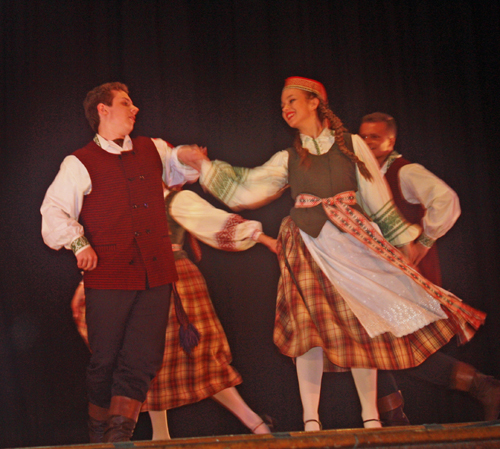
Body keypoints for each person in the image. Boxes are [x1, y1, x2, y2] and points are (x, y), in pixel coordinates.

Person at [196, 76, 486, 431]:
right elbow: (246, 187)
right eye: (282, 104)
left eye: (292, 101)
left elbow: (377, 197)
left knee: (363, 327)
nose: (285, 108)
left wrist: (402, 241)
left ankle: (371, 418)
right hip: (307, 245)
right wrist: (205, 167)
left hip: (351, 245)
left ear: (315, 102)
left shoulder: (351, 145)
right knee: (308, 330)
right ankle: (311, 420)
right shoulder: (287, 157)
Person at [40, 82, 207, 442]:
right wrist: (78, 242)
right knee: (105, 361)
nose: (134, 109)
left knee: (143, 358)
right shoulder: (79, 162)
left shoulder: (153, 148)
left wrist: (191, 160)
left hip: (157, 272)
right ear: (102, 110)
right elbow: (53, 210)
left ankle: (119, 435)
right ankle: (99, 433)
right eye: (125, 103)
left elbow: (179, 166)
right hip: (110, 275)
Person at [71, 187, 277, 439]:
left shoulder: (173, 200)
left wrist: (263, 238)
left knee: (200, 357)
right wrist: (88, 283)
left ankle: (254, 423)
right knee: (153, 362)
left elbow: (214, 221)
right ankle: (162, 438)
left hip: (175, 280)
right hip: (142, 283)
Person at [359, 112, 500, 425]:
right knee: (371, 348)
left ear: (390, 141)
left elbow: (446, 199)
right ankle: (395, 419)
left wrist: (424, 240)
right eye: (364, 136)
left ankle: (482, 387)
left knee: (395, 351)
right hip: (383, 281)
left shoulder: (404, 171)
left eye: (375, 137)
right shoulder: (367, 176)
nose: (367, 142)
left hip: (410, 279)